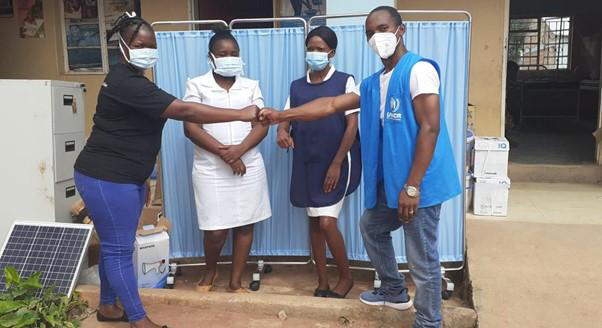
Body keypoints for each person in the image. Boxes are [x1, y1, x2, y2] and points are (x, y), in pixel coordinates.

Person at [259, 6, 461, 328]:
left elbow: (430, 128)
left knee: (422, 257)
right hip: (392, 182)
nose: (377, 37)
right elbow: (330, 105)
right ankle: (394, 289)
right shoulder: (373, 83)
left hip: (418, 183)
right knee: (371, 226)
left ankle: (428, 320)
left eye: (382, 28)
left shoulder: (418, 70)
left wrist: (412, 185)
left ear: (400, 30)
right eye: (370, 32)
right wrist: (282, 117)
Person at [73, 13, 258, 328]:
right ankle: (137, 319)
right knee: (119, 249)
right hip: (106, 177)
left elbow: (135, 134)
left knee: (114, 244)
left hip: (124, 177)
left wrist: (142, 177)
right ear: (123, 47)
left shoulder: (134, 82)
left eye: (151, 45)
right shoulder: (124, 82)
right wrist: (239, 114)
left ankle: (108, 306)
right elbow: (184, 110)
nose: (147, 50)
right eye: (140, 44)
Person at [183, 26, 272, 293]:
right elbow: (191, 127)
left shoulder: (251, 85)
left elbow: (262, 124)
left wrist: (239, 151)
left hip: (249, 165)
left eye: (234, 53)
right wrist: (227, 155)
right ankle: (210, 272)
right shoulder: (196, 84)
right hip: (211, 168)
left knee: (245, 223)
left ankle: (235, 280)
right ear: (211, 57)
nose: (229, 57)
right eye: (223, 53)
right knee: (215, 229)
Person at [277, 26, 360, 299]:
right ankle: (322, 281)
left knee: (326, 222)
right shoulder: (297, 86)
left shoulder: (346, 82)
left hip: (335, 161)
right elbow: (287, 116)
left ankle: (346, 278)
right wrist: (281, 131)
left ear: (331, 53)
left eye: (320, 49)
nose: (314, 53)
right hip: (306, 161)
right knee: (313, 222)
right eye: (310, 48)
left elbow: (351, 127)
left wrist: (337, 163)